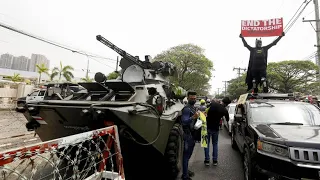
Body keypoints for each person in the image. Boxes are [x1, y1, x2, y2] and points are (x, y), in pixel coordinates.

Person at [204, 97, 231, 166]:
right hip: (216, 129)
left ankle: (207, 160)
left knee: (206, 144)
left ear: (222, 101)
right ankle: (215, 160)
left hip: (207, 127)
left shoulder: (213, 104)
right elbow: (227, 120)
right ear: (227, 104)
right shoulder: (225, 110)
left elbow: (206, 112)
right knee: (215, 144)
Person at [181, 91, 199, 180]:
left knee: (188, 155)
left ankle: (186, 171)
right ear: (187, 98)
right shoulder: (187, 109)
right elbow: (184, 122)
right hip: (188, 135)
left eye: (195, 98)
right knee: (186, 155)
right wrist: (193, 117)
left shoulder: (192, 107)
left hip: (192, 134)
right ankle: (185, 176)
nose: (194, 100)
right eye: (192, 98)